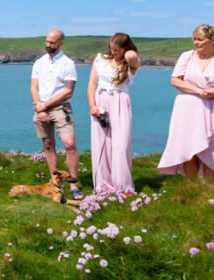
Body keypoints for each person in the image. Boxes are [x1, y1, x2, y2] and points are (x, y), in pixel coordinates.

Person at [157, 24, 214, 180]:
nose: (196, 43)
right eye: (194, 39)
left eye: (200, 39)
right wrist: (199, 91)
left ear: (212, 40)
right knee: (188, 146)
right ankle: (192, 186)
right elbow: (175, 80)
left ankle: (209, 190)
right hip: (187, 109)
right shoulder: (186, 56)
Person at [31, 29, 83, 199]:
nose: (48, 45)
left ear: (61, 43)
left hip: (61, 108)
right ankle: (55, 183)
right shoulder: (39, 63)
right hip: (41, 107)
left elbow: (68, 91)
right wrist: (40, 106)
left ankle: (73, 183)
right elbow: (34, 87)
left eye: (52, 42)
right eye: (47, 41)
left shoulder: (68, 63)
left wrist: (44, 105)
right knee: (48, 144)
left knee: (69, 143)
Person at [87, 32, 140, 193]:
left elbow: (132, 57)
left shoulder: (131, 62)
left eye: (116, 49)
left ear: (124, 48)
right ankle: (103, 184)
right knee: (101, 143)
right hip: (101, 100)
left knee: (121, 145)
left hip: (120, 101)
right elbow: (92, 83)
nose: (113, 52)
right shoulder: (100, 59)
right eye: (111, 48)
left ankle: (123, 185)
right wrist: (92, 106)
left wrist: (128, 52)